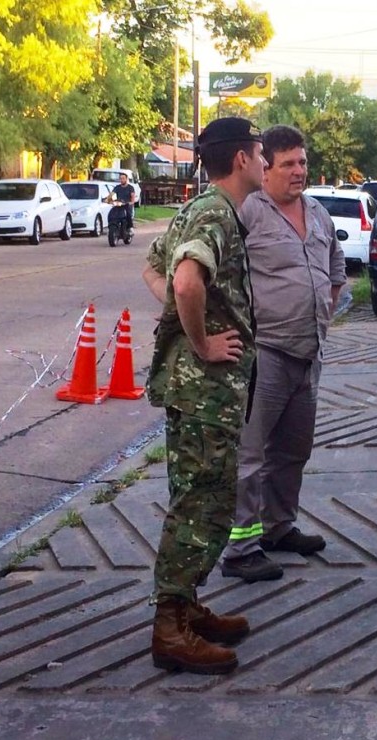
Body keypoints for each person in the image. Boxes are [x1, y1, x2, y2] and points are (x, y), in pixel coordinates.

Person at [144, 116, 266, 675]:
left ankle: (186, 605)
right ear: (241, 159)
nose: (264, 162)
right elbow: (186, 280)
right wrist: (202, 342)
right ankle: (170, 628)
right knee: (202, 505)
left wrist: (181, 314)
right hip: (205, 394)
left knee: (198, 496)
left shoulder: (200, 209)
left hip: (201, 395)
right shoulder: (215, 213)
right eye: (260, 153)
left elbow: (154, 268)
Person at [219, 125, 346, 582]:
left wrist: (319, 313)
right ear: (265, 167)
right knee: (249, 456)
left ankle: (277, 527)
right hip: (264, 353)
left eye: (303, 162)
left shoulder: (318, 212)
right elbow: (214, 275)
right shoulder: (247, 211)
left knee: (293, 451)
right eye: (288, 163)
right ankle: (240, 549)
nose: (298, 171)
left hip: (309, 354)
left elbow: (336, 270)